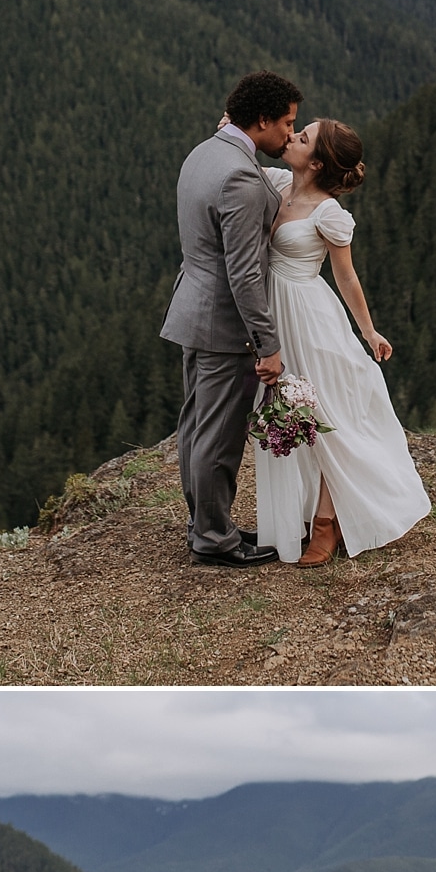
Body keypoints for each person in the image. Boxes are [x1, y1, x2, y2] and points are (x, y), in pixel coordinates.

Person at [256, 118, 431, 567]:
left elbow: (346, 277)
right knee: (285, 415)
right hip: (276, 319)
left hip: (312, 322)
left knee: (324, 417)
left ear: (316, 162)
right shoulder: (278, 183)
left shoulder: (329, 214)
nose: (291, 137)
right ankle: (292, 514)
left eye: (302, 136)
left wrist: (368, 330)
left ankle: (326, 522)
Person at [161, 71, 301, 568]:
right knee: (218, 435)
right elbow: (244, 273)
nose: (289, 134)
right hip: (224, 322)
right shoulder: (240, 175)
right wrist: (268, 344)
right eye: (286, 123)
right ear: (260, 120)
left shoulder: (206, 152)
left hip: (193, 309)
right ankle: (214, 540)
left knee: (197, 425)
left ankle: (207, 522)